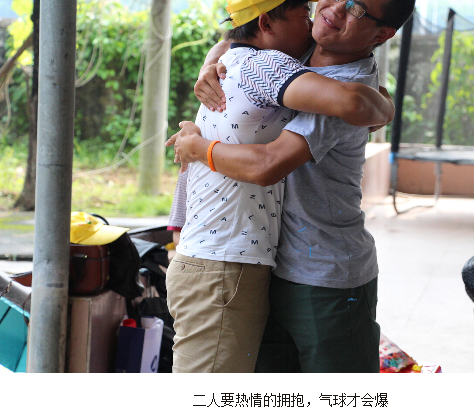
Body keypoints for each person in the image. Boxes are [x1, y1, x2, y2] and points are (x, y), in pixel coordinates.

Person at [167, 0, 416, 372]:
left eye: (357, 9)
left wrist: (197, 148)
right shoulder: (301, 47)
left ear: (382, 34)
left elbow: (268, 164)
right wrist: (212, 63)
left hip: (322, 275)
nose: (335, 9)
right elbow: (243, 38)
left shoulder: (339, 85)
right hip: (259, 265)